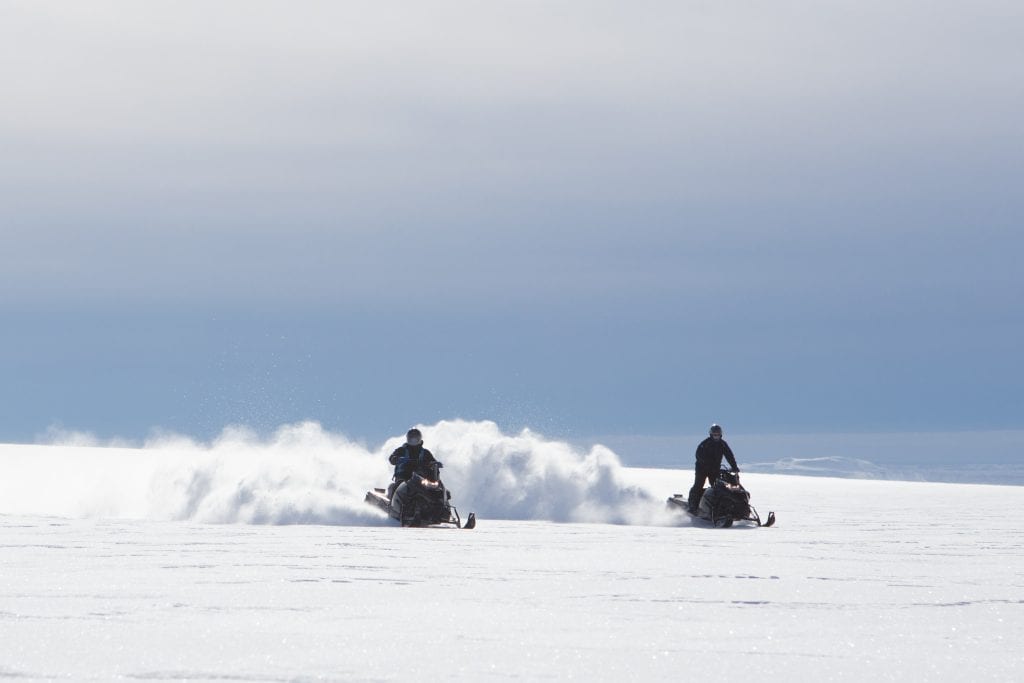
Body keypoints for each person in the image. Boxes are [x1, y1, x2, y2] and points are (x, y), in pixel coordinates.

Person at [687, 423, 740, 513]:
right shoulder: (705, 444)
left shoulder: (723, 444)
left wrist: (734, 467)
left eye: (718, 435)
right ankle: (692, 506)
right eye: (715, 435)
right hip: (702, 469)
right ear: (711, 435)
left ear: (721, 435)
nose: (716, 437)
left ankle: (718, 508)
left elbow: (729, 455)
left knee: (718, 488)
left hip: (714, 469)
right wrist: (706, 464)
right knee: (698, 485)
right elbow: (698, 455)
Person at [386, 428, 439, 499]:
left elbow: (432, 461)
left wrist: (435, 464)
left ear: (419, 439)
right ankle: (391, 504)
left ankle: (441, 504)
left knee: (436, 489)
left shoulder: (425, 452)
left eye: (415, 438)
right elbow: (392, 458)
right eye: (411, 438)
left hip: (420, 478)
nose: (413, 440)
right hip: (403, 477)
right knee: (396, 486)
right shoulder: (401, 450)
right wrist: (396, 459)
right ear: (408, 439)